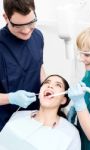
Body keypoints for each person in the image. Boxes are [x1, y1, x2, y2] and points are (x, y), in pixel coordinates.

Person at [0, 74, 81, 150]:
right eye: (46, 82)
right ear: (39, 94)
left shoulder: (71, 134)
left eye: (58, 85)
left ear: (63, 100)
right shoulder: (17, 116)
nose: (50, 86)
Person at [0, 0, 46, 131]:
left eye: (31, 23)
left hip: (34, 116)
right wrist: (10, 98)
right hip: (6, 123)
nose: (26, 31)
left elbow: (39, 67)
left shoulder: (38, 36)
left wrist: (48, 85)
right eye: (19, 26)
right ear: (6, 17)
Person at [68, 26, 90, 150]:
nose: (81, 59)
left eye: (86, 54)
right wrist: (73, 109)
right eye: (81, 52)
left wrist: (79, 103)